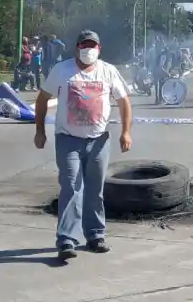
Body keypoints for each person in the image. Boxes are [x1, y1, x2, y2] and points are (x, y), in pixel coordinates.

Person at [33, 30, 133, 262]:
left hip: (98, 140)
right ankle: (67, 239)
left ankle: (95, 235)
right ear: (76, 47)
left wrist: (126, 132)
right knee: (71, 187)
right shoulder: (62, 70)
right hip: (68, 139)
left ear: (99, 49)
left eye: (92, 45)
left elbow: (124, 101)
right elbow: (42, 99)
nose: (88, 49)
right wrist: (39, 131)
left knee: (95, 190)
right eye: (84, 44)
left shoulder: (108, 71)